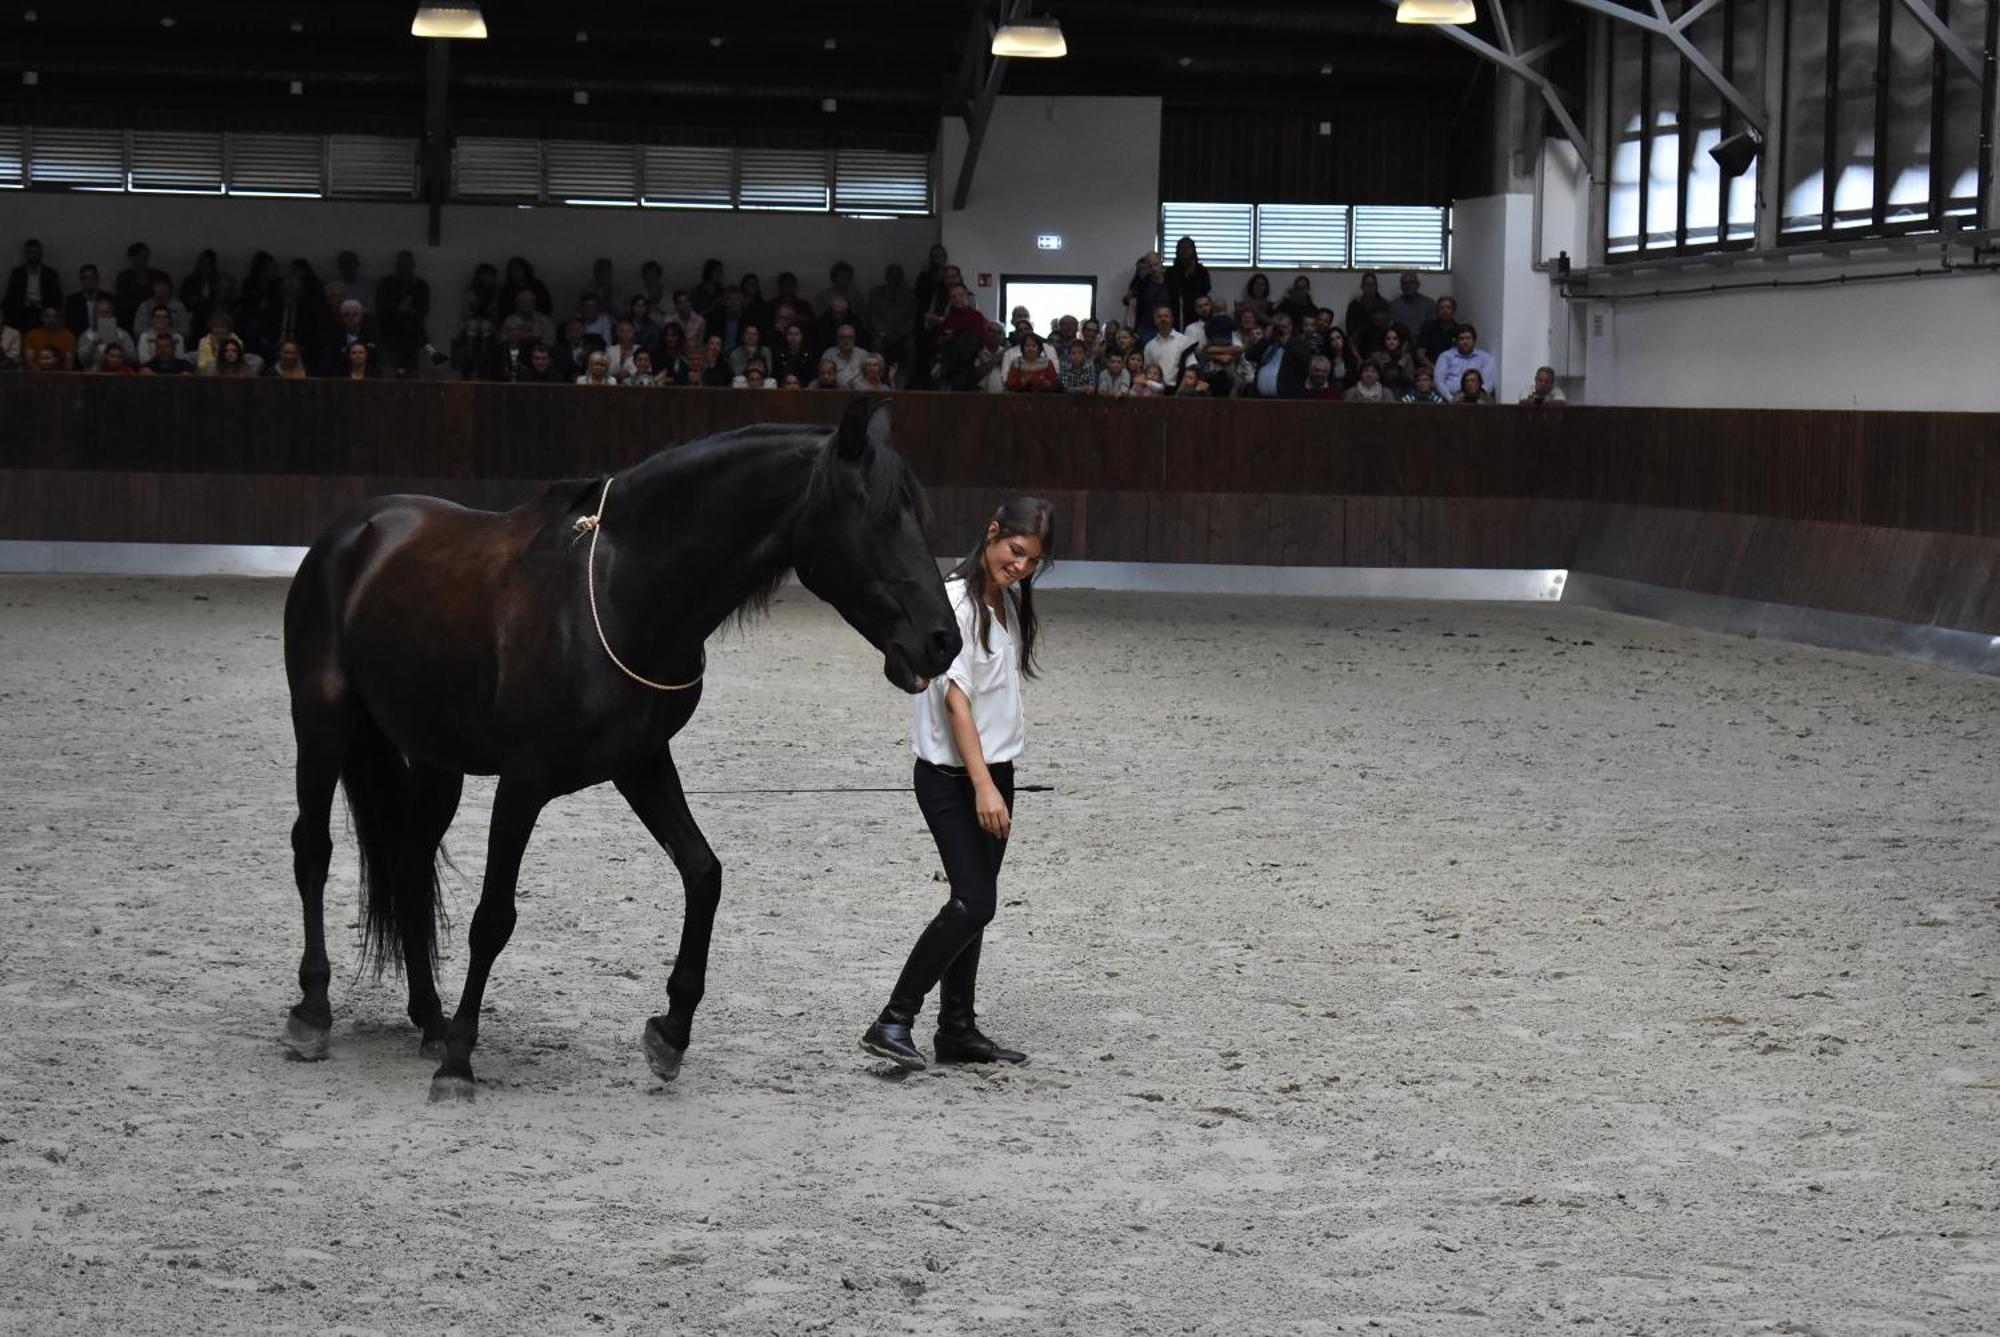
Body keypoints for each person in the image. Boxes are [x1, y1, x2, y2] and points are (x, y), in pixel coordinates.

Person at [861, 497, 1056, 1070]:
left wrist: (998, 779)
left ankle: (957, 1029)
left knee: (976, 904)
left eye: (1032, 561)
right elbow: (956, 702)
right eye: (1015, 551)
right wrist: (983, 787)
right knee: (974, 902)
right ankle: (893, 1019)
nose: (1020, 566)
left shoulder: (1003, 604)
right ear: (992, 534)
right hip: (955, 779)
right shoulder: (955, 605)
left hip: (995, 771)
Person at [6, 239, 63, 333]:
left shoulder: (50, 274)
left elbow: (57, 298)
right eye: (30, 252)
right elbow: (11, 296)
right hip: (23, 311)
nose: (33, 256)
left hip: (43, 310)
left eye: (35, 252)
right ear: (25, 254)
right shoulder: (17, 274)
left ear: (40, 254)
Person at [1432, 324, 1497, 405]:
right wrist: (1451, 399)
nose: (1465, 342)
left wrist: (1477, 397)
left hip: (1478, 401)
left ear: (1474, 340)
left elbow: (1489, 383)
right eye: (1461, 339)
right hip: (1449, 401)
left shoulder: (1485, 357)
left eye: (1468, 338)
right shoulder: (1445, 356)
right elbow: (1438, 381)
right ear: (1456, 341)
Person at [1163, 236, 1210, 330]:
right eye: (1182, 248)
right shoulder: (1171, 271)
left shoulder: (1201, 270)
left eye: (1188, 247)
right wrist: (1185, 277)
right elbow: (1170, 289)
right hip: (1177, 309)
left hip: (1197, 310)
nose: (1185, 251)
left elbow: (1206, 288)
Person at [75, 298, 135, 371]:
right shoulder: (86, 335)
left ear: (112, 314)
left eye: (107, 312)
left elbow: (132, 358)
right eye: (100, 312)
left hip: (118, 374)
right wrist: (93, 344)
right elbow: (82, 359)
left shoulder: (122, 334)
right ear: (95, 315)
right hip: (93, 375)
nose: (104, 315)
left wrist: (117, 344)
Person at [24, 305, 77, 371]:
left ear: (59, 319)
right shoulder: (32, 335)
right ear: (41, 318)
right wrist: (41, 375)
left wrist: (61, 377)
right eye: (48, 316)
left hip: (60, 375)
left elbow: (69, 361)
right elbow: (29, 360)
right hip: (37, 374)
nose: (52, 320)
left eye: (55, 316)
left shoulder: (68, 336)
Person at [1415, 295, 1462, 370]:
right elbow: (1420, 354)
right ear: (1437, 311)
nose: (1444, 310)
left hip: (1453, 370)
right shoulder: (1428, 328)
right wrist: (1435, 369)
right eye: (1441, 308)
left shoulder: (1460, 330)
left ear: (1453, 311)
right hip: (1431, 369)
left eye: (1448, 307)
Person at [1388, 272, 1435, 344]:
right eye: (1405, 283)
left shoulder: (1429, 304)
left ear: (1417, 284)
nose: (1408, 286)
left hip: (1423, 344)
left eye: (1411, 283)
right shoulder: (1395, 305)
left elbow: (1431, 329)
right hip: (1400, 344)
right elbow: (1394, 330)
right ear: (1401, 286)